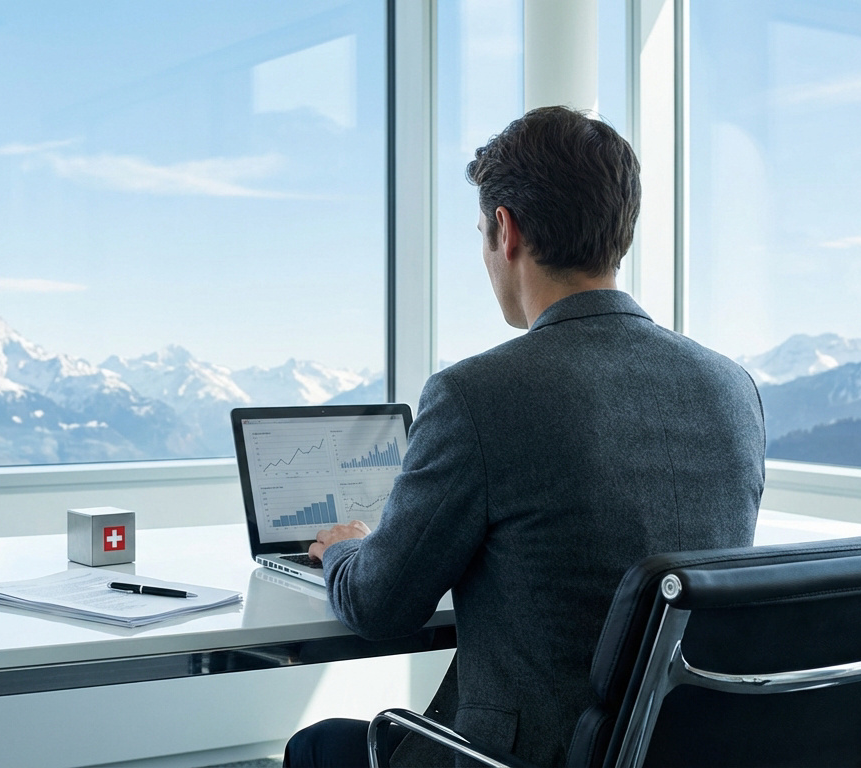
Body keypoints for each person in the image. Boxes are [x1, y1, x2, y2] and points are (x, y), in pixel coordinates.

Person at [282, 107, 765, 767]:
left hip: (523, 757)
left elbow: (380, 605)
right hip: (680, 749)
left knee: (316, 749)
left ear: (504, 230)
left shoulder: (477, 395)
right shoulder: (732, 388)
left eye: (482, 230)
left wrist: (345, 552)